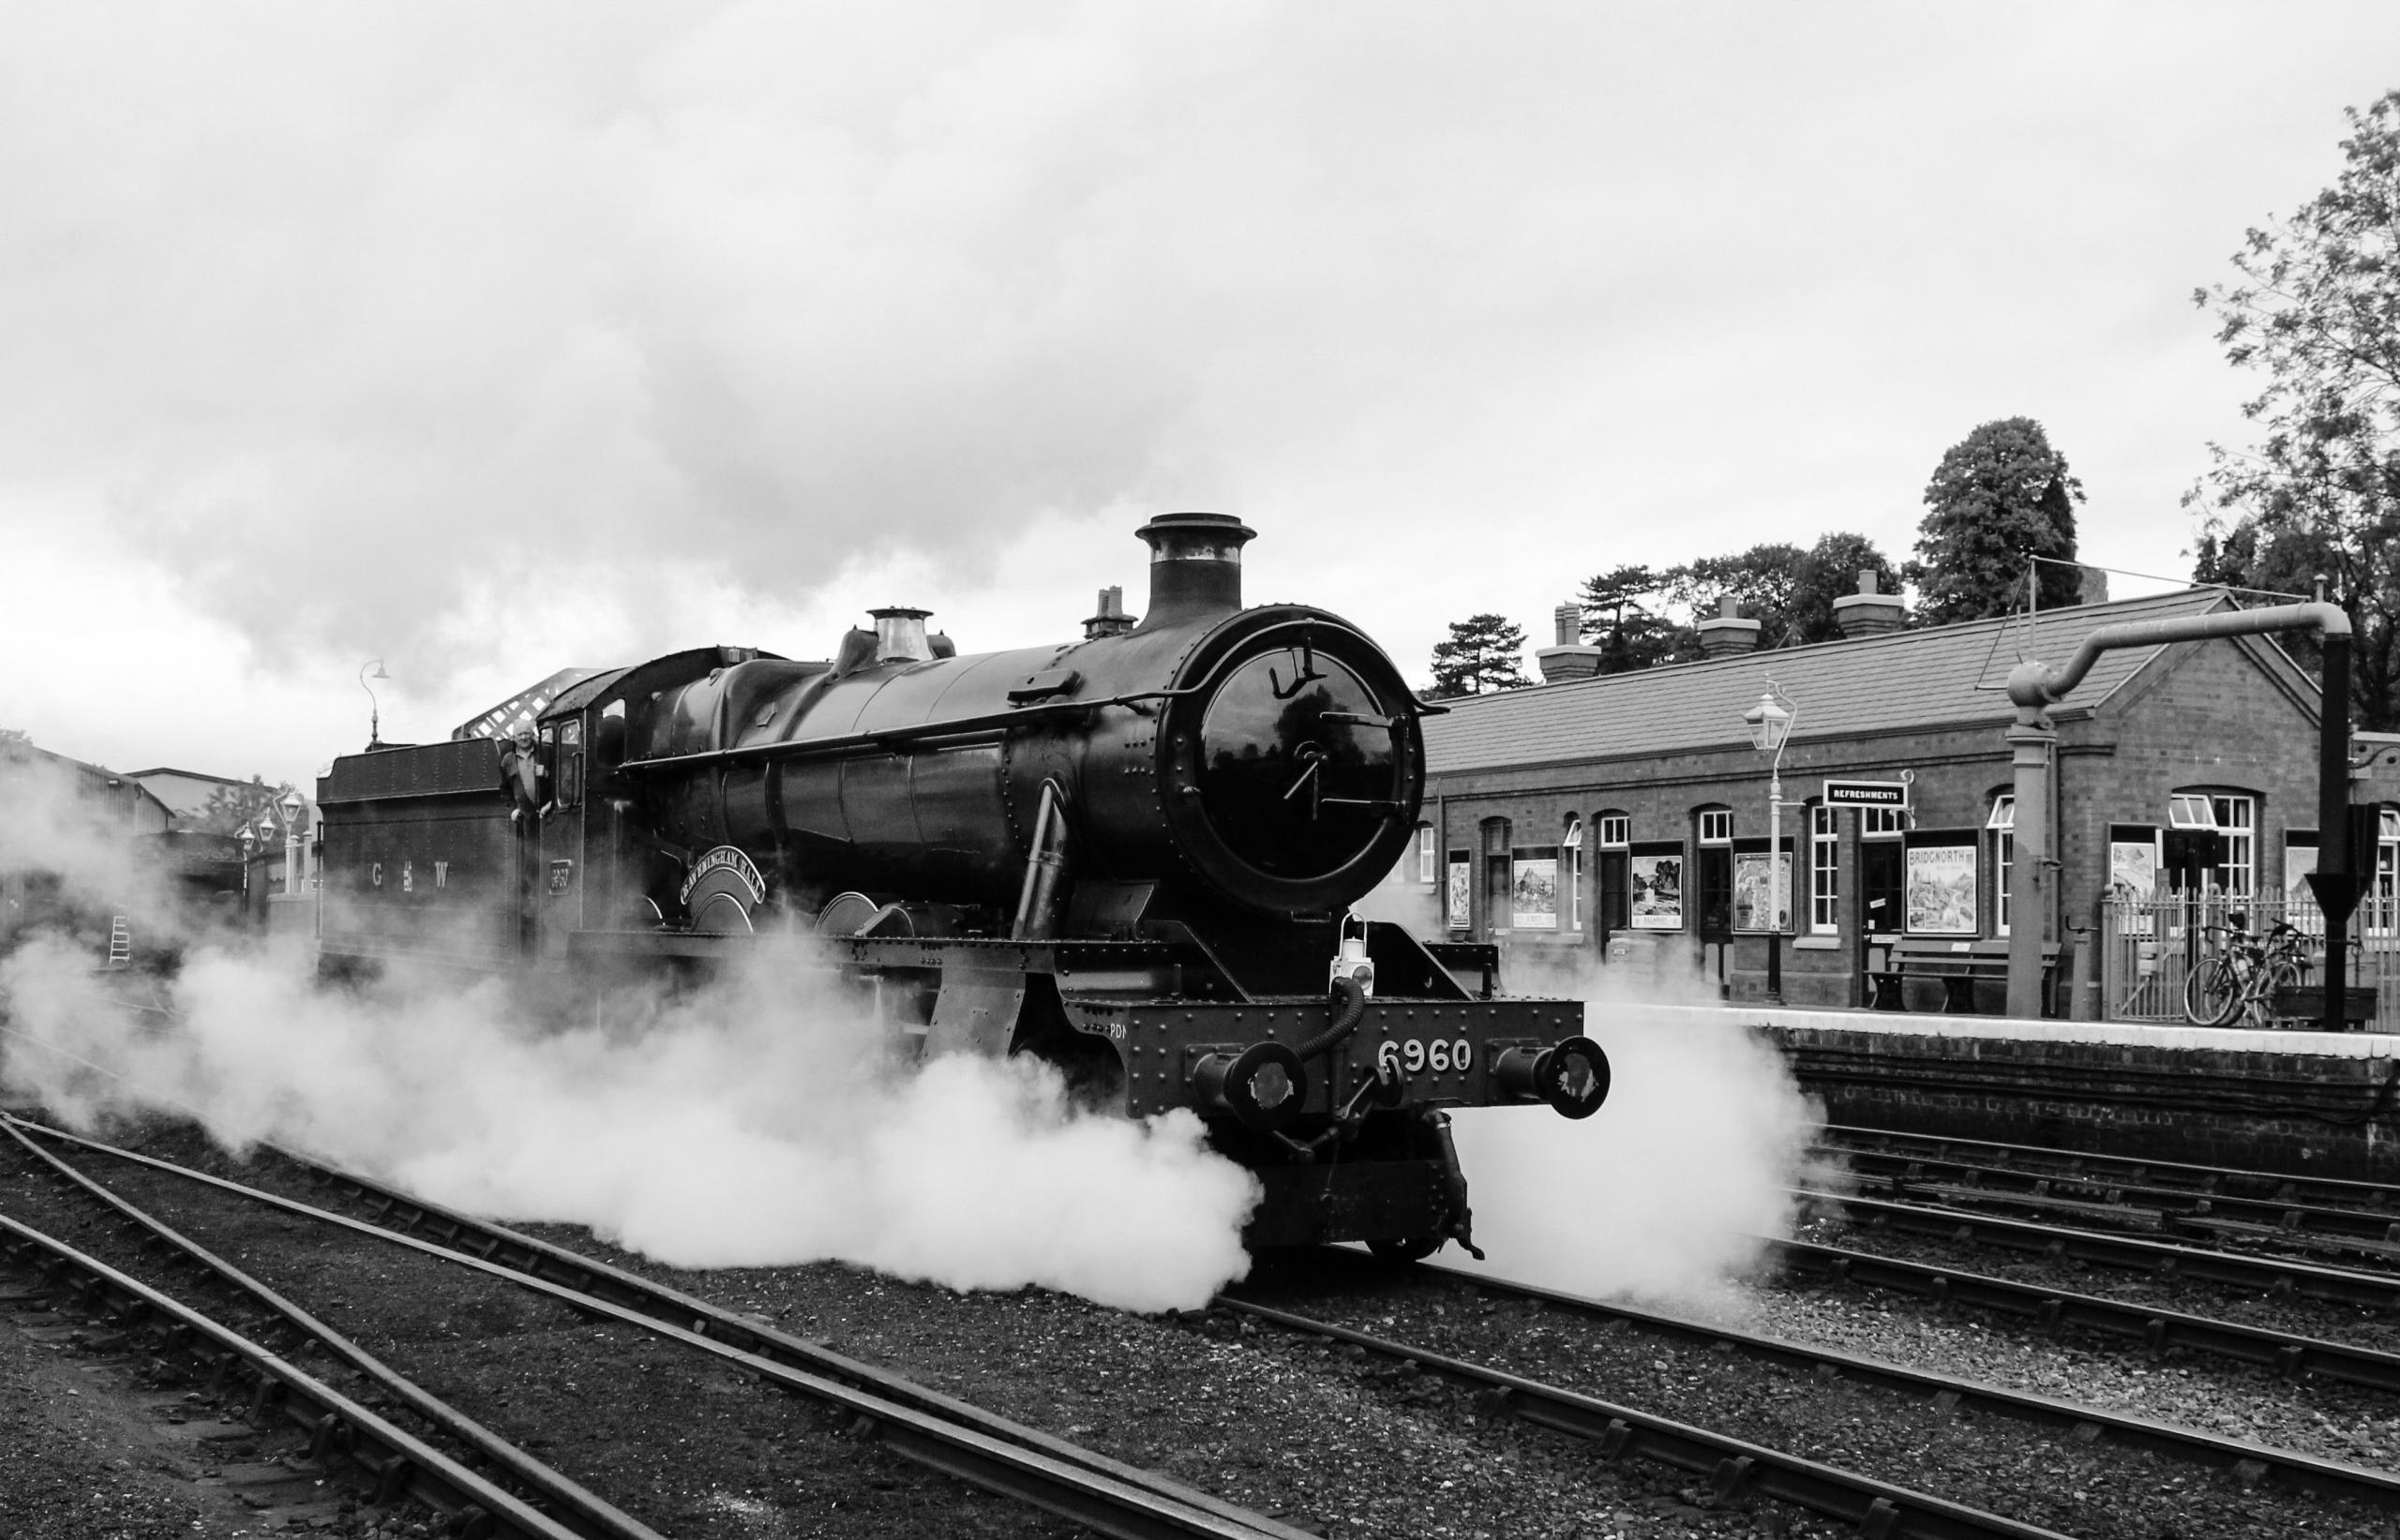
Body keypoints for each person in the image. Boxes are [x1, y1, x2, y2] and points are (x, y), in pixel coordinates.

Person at [501, 726, 548, 828]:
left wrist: (546, 774)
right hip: (525, 816)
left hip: (548, 812)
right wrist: (513, 809)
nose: (524, 737)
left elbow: (562, 779)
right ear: (513, 737)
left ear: (533, 735)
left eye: (527, 733)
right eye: (520, 734)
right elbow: (505, 788)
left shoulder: (546, 752)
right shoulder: (508, 760)